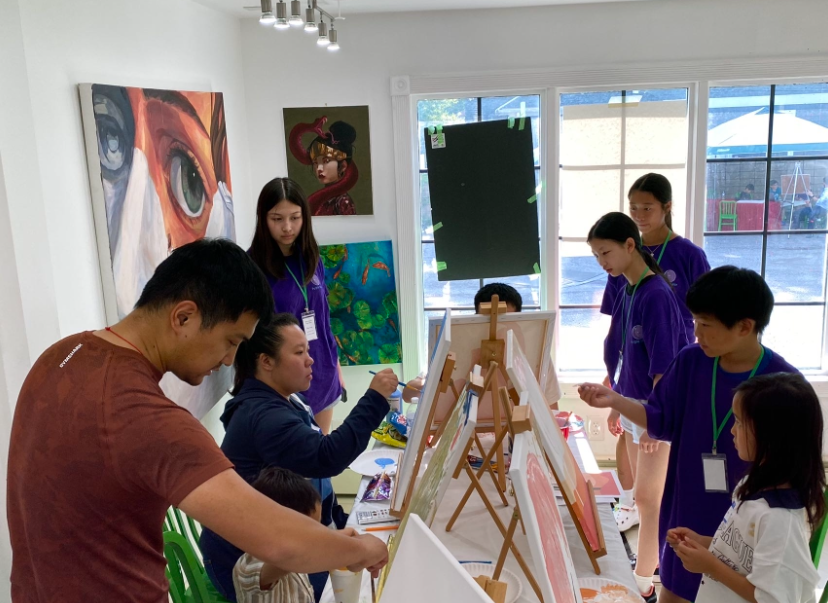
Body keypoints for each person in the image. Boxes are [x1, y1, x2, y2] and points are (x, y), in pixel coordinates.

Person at [7, 239, 388, 603]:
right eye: (231, 341)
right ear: (184, 316)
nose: (228, 360)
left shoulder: (62, 353)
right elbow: (277, 541)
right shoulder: (145, 417)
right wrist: (359, 549)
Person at [578, 266, 799, 603]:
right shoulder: (692, 361)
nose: (697, 334)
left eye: (706, 326)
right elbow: (659, 418)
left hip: (747, 518)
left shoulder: (783, 384)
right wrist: (616, 400)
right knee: (677, 589)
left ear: (745, 326)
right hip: (688, 505)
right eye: (694, 322)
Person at [200, 313, 398, 601]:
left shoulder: (288, 399)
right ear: (266, 362)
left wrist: (338, 525)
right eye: (299, 352)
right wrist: (374, 399)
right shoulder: (264, 416)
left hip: (277, 538)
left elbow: (317, 474)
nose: (311, 360)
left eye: (307, 350)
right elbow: (327, 456)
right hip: (250, 565)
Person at [600, 174, 709, 543]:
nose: (640, 214)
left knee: (659, 468)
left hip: (668, 374)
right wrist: (613, 380)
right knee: (628, 441)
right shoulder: (620, 254)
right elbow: (617, 324)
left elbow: (707, 317)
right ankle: (630, 505)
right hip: (633, 373)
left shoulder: (689, 256)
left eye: (647, 207)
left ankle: (655, 542)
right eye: (633, 208)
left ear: (667, 207)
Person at [589, 212, 688, 602]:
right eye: (597, 255)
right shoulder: (626, 289)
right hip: (633, 404)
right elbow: (626, 355)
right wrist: (617, 404)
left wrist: (652, 424)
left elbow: (664, 366)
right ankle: (647, 568)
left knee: (649, 499)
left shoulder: (656, 294)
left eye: (606, 252)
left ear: (631, 245)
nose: (602, 262)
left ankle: (645, 579)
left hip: (653, 410)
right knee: (641, 496)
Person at [667, 373, 823, 603]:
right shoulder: (753, 484)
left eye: (739, 422)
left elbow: (771, 598)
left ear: (772, 437)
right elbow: (746, 555)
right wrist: (705, 544)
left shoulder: (781, 520)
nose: (732, 430)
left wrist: (710, 565)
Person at [249, 177, 344, 434]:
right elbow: (251, 336)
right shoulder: (253, 268)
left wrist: (336, 369)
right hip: (284, 384)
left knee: (321, 461)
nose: (287, 227)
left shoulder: (312, 258)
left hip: (322, 373)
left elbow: (323, 320)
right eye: (277, 219)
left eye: (295, 217)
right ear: (263, 219)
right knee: (290, 469)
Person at [403, 282, 525, 402]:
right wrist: (437, 382)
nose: (498, 328)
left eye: (506, 322)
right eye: (488, 322)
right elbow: (407, 395)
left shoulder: (526, 352)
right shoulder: (460, 346)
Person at [234, 467, 325, 603]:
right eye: (309, 530)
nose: (316, 534)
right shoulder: (247, 569)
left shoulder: (293, 548)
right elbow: (294, 557)